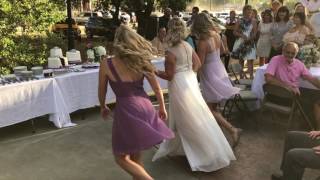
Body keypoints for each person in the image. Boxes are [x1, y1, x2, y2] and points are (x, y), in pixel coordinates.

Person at [152, 17, 236, 172]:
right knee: (198, 114)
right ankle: (193, 149)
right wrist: (188, 74)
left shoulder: (170, 52)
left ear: (170, 31)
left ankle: (201, 152)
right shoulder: (187, 45)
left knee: (186, 119)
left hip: (178, 85)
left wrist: (155, 71)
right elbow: (197, 64)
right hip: (190, 82)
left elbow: (169, 75)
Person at [98, 25, 174, 180]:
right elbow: (157, 88)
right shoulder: (142, 61)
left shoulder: (107, 64)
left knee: (120, 157)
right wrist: (162, 107)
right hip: (145, 106)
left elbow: (102, 90)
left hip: (126, 110)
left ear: (117, 42)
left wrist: (103, 106)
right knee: (135, 158)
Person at [191, 13, 242, 147]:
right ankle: (217, 137)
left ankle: (232, 130)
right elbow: (223, 51)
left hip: (209, 73)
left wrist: (189, 67)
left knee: (209, 108)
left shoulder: (202, 42)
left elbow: (200, 64)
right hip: (218, 69)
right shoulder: (217, 35)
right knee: (214, 106)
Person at [265, 42, 320, 129]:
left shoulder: (298, 64)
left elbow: (311, 78)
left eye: (293, 53)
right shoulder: (275, 59)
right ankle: (309, 128)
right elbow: (268, 78)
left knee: (317, 95)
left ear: (296, 54)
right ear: (283, 51)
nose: (290, 55)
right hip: (278, 94)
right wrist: (288, 87)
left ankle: (315, 128)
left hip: (293, 94)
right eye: (288, 52)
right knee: (308, 100)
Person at [232, 5, 257, 79]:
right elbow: (234, 32)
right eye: (247, 9)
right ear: (244, 11)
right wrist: (241, 35)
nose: (249, 11)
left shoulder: (254, 20)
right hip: (240, 42)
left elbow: (255, 32)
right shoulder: (239, 20)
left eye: (250, 9)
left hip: (250, 42)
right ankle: (241, 76)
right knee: (241, 60)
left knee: (250, 60)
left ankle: (251, 77)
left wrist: (250, 38)